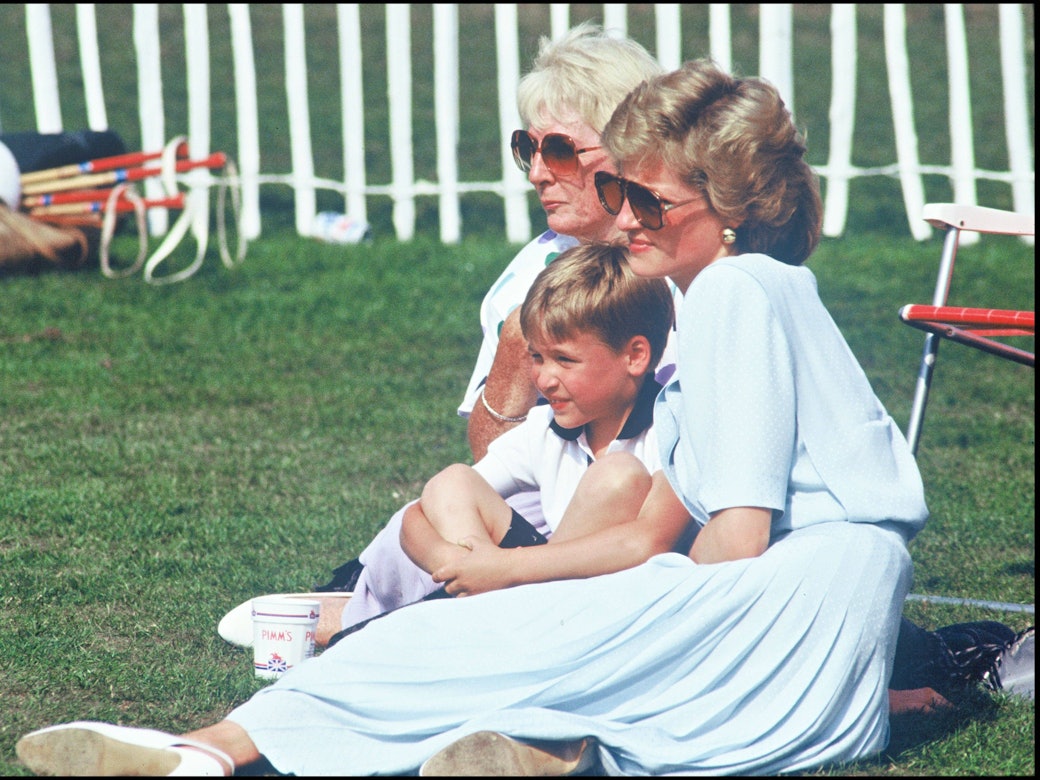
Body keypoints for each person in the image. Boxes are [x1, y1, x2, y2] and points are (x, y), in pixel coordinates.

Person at [15, 58, 1032, 779]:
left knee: (505, 640)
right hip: (796, 600)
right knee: (506, 634)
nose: (622, 216)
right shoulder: (731, 292)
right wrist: (515, 583)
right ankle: (504, 751)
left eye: (647, 200)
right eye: (616, 191)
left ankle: (211, 748)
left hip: (790, 605)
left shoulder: (737, 292)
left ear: (722, 209)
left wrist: (595, 606)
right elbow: (653, 525)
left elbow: (734, 537)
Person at [219, 22, 672, 642]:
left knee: (594, 490)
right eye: (527, 148)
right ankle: (384, 608)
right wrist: (516, 354)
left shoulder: (679, 269)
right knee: (441, 503)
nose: (538, 172)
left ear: (628, 153)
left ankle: (365, 612)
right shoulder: (534, 273)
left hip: (641, 510)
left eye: (561, 151)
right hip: (548, 484)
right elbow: (489, 454)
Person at [400, 242, 676, 593]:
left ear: (635, 356)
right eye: (537, 357)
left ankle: (496, 616)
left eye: (564, 360)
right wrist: (462, 567)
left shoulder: (672, 425)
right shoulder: (546, 429)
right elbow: (416, 516)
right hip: (539, 592)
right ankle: (484, 608)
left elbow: (648, 543)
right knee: (453, 482)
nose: (543, 379)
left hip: (627, 604)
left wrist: (505, 567)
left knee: (616, 476)